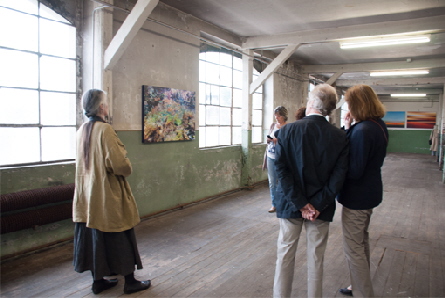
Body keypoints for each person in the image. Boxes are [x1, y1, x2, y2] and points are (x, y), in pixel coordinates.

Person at [273, 84, 349, 298]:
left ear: (310, 104)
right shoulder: (340, 137)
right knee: (316, 258)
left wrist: (300, 203)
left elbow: (281, 170)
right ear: (330, 109)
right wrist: (316, 204)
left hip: (290, 203)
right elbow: (338, 176)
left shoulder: (287, 131)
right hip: (321, 208)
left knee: (285, 254)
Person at [73, 89, 151, 295]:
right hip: (107, 194)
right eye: (106, 104)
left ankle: (97, 280)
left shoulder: (81, 130)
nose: (107, 107)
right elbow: (120, 165)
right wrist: (127, 162)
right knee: (119, 235)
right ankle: (130, 281)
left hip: (87, 196)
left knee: (94, 237)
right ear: (101, 107)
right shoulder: (105, 130)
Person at [337, 85, 388, 298]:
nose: (348, 107)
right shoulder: (377, 125)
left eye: (349, 103)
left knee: (353, 248)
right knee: (361, 241)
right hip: (371, 191)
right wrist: (349, 128)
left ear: (357, 105)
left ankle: (363, 293)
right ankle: (357, 285)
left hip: (357, 196)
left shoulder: (363, 130)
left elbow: (355, 170)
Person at [262, 106, 288, 213]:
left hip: (281, 157)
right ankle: (274, 204)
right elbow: (268, 138)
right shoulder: (273, 125)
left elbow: (288, 143)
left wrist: (279, 141)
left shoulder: (288, 127)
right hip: (270, 156)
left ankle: (282, 202)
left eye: (279, 115)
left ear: (284, 116)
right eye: (275, 115)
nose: (276, 117)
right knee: (272, 182)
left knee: (281, 181)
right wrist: (270, 139)